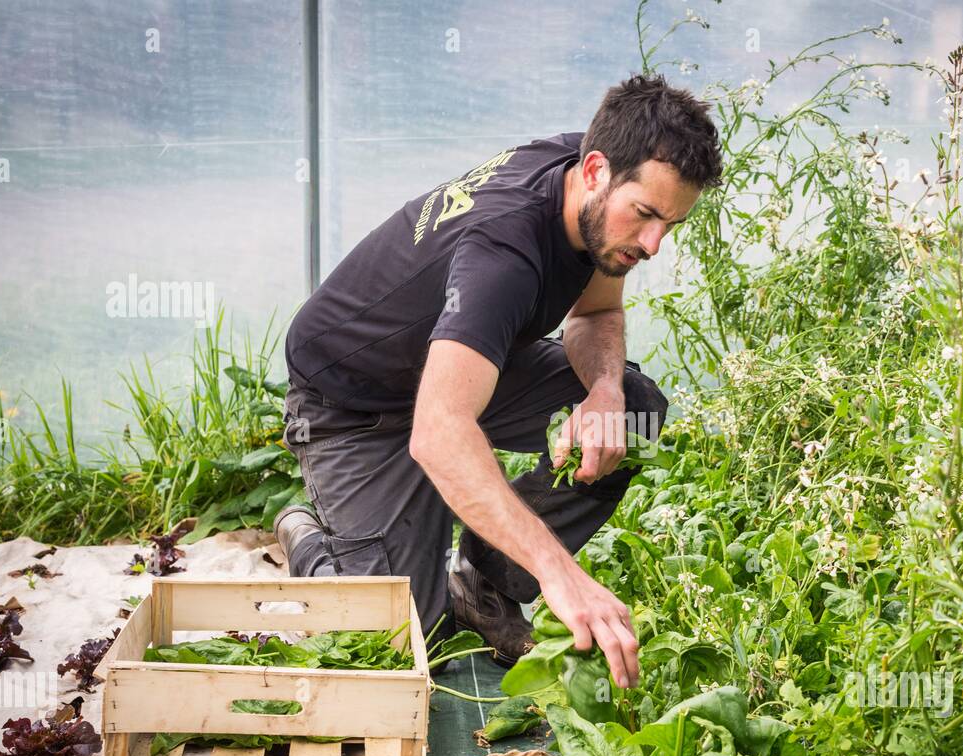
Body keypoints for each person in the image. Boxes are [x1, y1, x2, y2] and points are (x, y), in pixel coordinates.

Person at [274, 73, 723, 689]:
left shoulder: (592, 191)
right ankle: (311, 545)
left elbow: (594, 312)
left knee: (635, 413)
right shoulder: (503, 253)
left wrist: (603, 394)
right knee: (397, 645)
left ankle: (485, 580)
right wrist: (563, 576)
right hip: (353, 406)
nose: (652, 244)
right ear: (595, 171)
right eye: (645, 215)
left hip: (455, 368)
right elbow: (438, 433)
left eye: (669, 224)